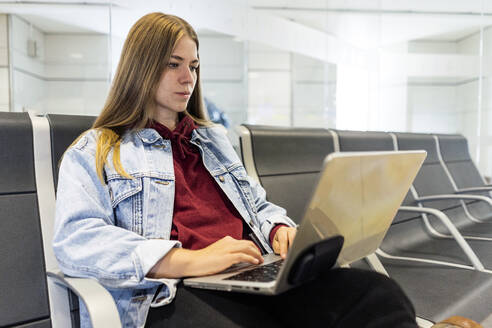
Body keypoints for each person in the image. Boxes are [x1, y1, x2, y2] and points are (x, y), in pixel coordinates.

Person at [52, 12, 481, 328]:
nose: (189, 78)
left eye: (195, 66)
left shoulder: (212, 139)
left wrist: (278, 230)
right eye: (173, 63)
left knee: (376, 294)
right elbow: (77, 240)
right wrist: (187, 260)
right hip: (173, 293)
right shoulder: (97, 149)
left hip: (249, 274)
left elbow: (256, 202)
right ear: (141, 67)